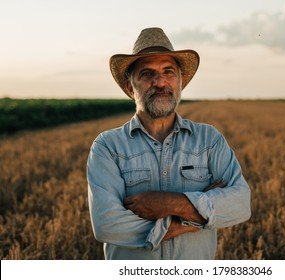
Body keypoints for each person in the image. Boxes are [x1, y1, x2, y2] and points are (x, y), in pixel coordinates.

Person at [87, 27, 251, 260]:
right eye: (146, 74)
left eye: (168, 72)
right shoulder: (108, 146)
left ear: (181, 82)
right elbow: (107, 225)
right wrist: (194, 219)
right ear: (129, 87)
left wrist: (171, 203)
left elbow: (241, 203)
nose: (160, 82)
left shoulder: (209, 140)